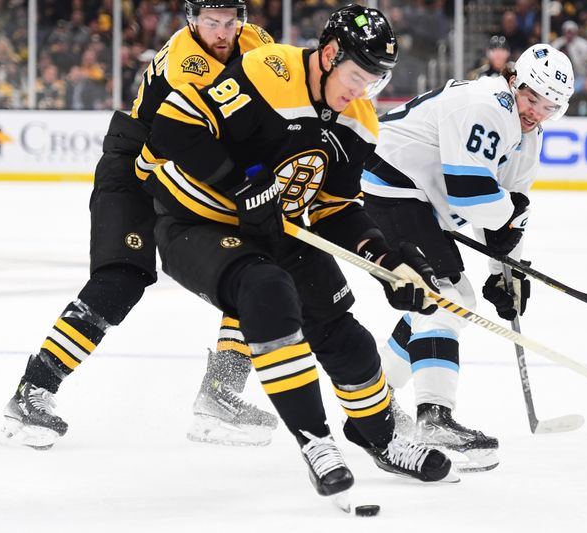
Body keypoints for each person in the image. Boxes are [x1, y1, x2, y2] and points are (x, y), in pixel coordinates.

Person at [143, 4, 455, 501]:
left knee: (340, 327)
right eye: (357, 76)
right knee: (267, 292)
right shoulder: (269, 71)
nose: (361, 91)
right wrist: (241, 181)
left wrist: (386, 261)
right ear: (329, 54)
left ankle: (383, 438)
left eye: (375, 82)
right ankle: (316, 442)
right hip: (194, 220)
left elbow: (335, 210)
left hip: (274, 228)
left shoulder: (358, 123)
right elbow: (173, 128)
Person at [1, 0, 279, 451]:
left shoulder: (257, 43)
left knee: (255, 263)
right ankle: (34, 391)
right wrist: (251, 181)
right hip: (135, 168)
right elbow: (209, 137)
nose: (222, 31)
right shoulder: (184, 62)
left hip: (189, 169)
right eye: (211, 22)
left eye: (230, 21)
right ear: (192, 21)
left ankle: (221, 392)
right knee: (121, 279)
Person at [361, 44, 575, 472]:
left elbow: (506, 210)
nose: (537, 111)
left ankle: (374, 401)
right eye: (533, 98)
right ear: (515, 81)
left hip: (417, 199)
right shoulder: (487, 105)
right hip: (387, 186)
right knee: (445, 297)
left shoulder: (528, 137)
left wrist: (506, 272)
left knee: (439, 302)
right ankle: (433, 418)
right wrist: (507, 220)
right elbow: (474, 196)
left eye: (550, 106)